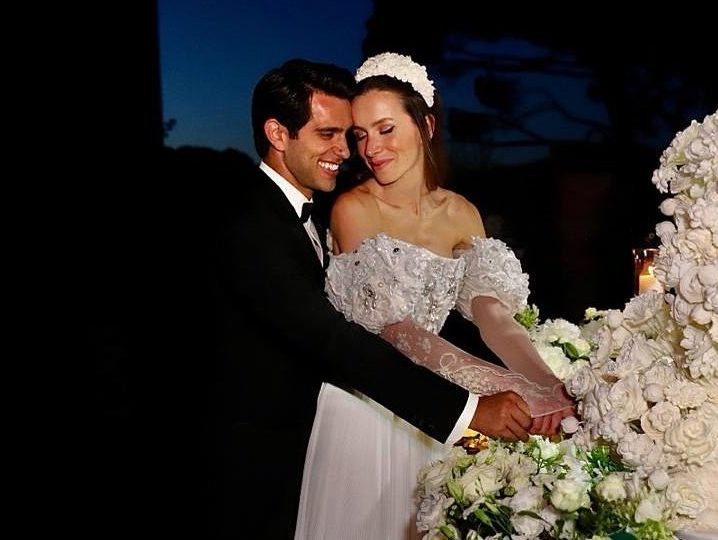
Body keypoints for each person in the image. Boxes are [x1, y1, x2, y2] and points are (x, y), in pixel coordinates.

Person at [183, 58, 538, 540]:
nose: (347, 151)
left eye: (347, 135)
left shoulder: (306, 210)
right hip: (255, 463)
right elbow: (333, 340)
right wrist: (471, 410)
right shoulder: (249, 221)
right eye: (329, 135)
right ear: (278, 133)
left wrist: (538, 377)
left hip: (320, 437)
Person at [295, 53, 575, 540]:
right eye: (360, 135)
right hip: (371, 413)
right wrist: (496, 387)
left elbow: (492, 315)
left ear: (424, 124)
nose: (370, 149)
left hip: (442, 412)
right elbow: (399, 332)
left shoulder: (461, 213)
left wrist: (548, 384)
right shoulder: (353, 209)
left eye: (385, 129)